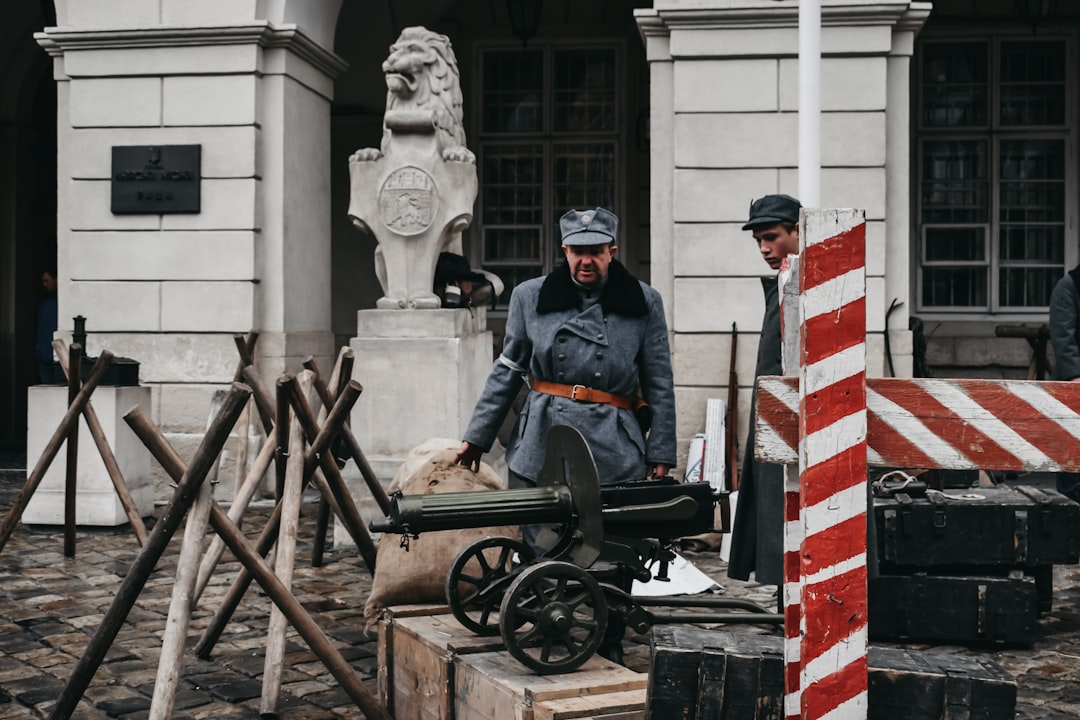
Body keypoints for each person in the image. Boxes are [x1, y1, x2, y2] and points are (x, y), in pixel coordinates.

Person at [455, 206, 677, 663]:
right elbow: (508, 370)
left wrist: (662, 450)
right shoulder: (529, 296)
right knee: (541, 541)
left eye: (596, 251)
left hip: (614, 441)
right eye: (577, 252)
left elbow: (659, 379)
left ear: (612, 251)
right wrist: (477, 436)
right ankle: (545, 631)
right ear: (564, 251)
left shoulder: (643, 301)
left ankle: (609, 636)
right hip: (543, 434)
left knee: (615, 544)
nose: (586, 262)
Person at [726, 194, 802, 589]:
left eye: (771, 237)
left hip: (801, 427)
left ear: (797, 230)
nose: (764, 249)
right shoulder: (784, 283)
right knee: (774, 521)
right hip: (774, 419)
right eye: (758, 240)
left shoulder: (816, 285)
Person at [1047, 265, 1080, 501]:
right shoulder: (1068, 286)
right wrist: (1075, 376)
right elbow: (1063, 337)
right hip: (1075, 387)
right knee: (1072, 453)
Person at [36, 269, 58, 384]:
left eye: (46, 281)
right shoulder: (44, 302)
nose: (44, 285)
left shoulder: (59, 302)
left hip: (56, 356)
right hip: (44, 356)